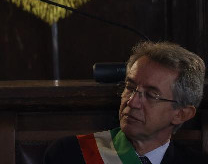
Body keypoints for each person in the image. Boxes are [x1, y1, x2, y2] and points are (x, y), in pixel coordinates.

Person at [44, 41, 205, 164]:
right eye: (130, 87)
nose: (132, 102)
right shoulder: (69, 154)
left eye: (151, 95)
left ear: (181, 114)